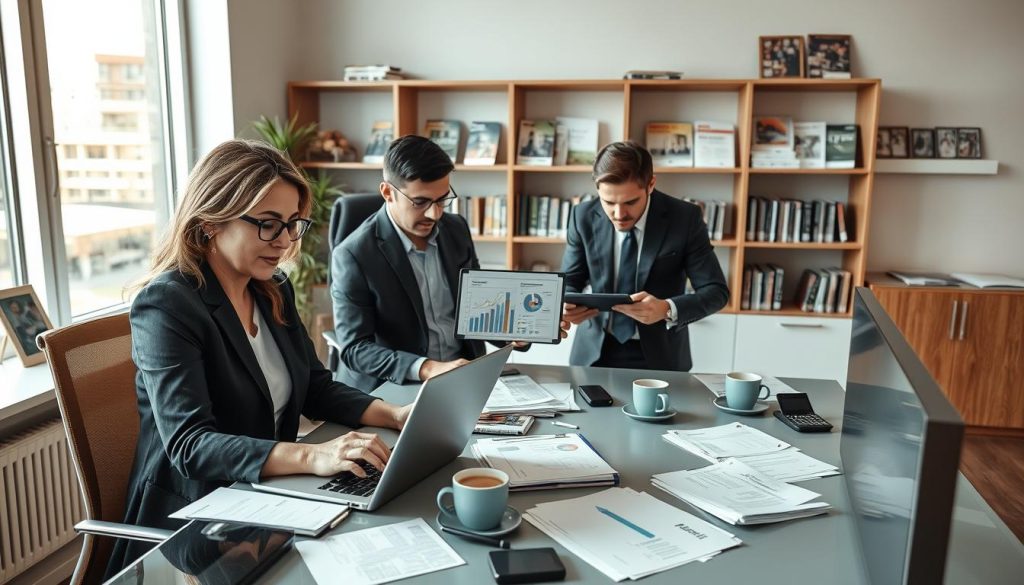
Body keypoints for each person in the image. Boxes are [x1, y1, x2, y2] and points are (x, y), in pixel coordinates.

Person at [109, 139, 411, 576]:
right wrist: (313, 456)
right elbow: (190, 445)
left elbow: (315, 386)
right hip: (196, 522)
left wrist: (396, 414)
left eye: (293, 224)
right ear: (211, 221)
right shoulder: (167, 306)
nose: (286, 241)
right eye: (268, 225)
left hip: (267, 498)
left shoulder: (271, 287)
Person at [331, 136, 553, 392]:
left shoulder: (456, 229)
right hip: (394, 387)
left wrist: (516, 332)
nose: (434, 214)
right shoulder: (353, 254)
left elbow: (477, 310)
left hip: (464, 375)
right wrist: (427, 368)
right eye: (421, 202)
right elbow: (355, 349)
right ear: (388, 193)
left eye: (442, 199)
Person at [560, 141, 729, 371]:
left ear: (651, 184)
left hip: (661, 357)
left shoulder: (685, 218)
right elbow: (570, 281)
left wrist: (666, 309)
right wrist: (566, 306)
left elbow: (716, 291)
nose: (619, 214)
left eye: (630, 202)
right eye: (609, 202)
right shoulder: (582, 216)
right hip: (593, 354)